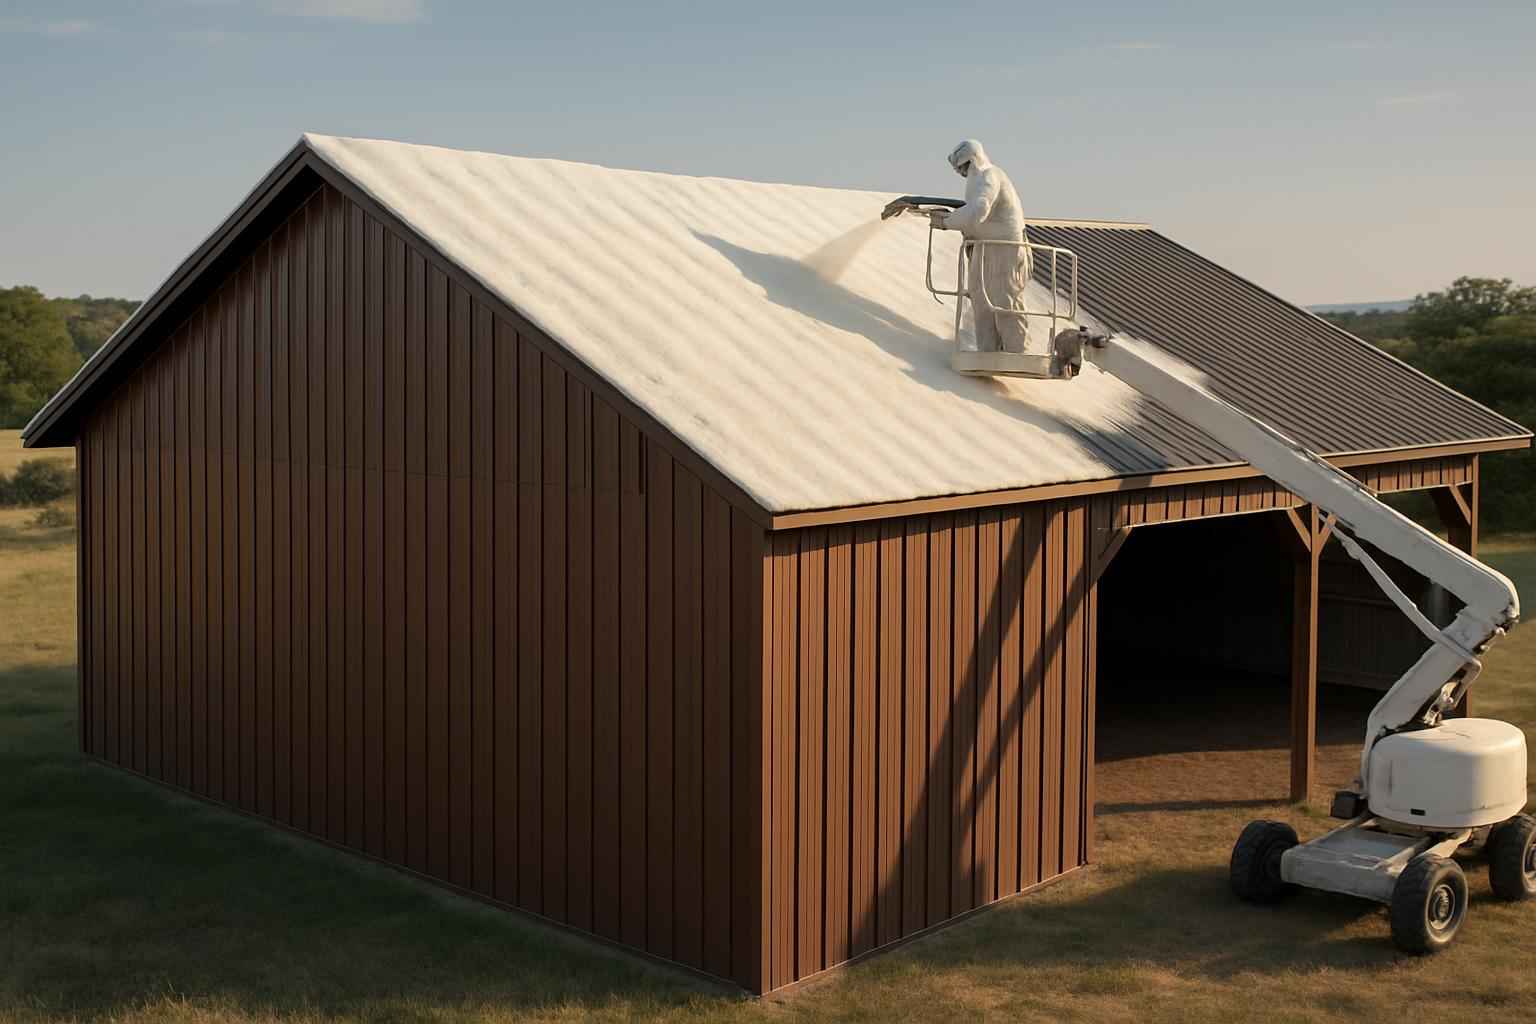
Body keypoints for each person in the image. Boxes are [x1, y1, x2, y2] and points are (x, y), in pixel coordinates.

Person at [931, 140, 1032, 353]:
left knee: (1004, 298)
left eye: (964, 167)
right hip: (984, 246)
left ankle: (1018, 351)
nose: (962, 173)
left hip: (1006, 248)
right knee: (979, 296)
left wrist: (947, 222)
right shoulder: (975, 182)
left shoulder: (990, 176)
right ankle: (987, 350)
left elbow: (979, 211)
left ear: (973, 160)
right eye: (959, 170)